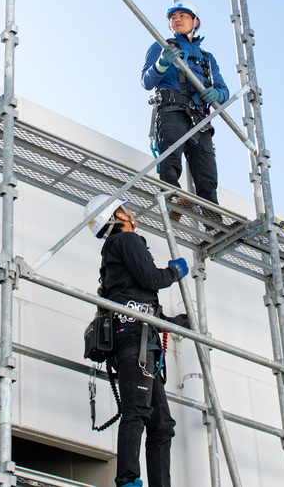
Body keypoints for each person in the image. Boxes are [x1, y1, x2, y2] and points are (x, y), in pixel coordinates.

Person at [83, 194, 189, 487]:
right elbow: (151, 279)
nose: (130, 212)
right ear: (117, 215)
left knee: (162, 425)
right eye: (125, 209)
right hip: (134, 341)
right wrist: (174, 272)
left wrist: (170, 323)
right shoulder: (127, 241)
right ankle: (128, 480)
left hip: (138, 338)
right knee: (137, 410)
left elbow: (133, 298)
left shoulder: (113, 252)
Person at [141, 0, 229, 217]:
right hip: (172, 108)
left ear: (195, 21)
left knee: (207, 172)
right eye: (173, 18)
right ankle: (172, 200)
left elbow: (223, 90)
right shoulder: (161, 47)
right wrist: (162, 63)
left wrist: (217, 94)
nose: (177, 19)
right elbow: (146, 81)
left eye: (183, 16)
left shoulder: (207, 59)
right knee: (171, 155)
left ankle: (212, 219)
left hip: (200, 117)